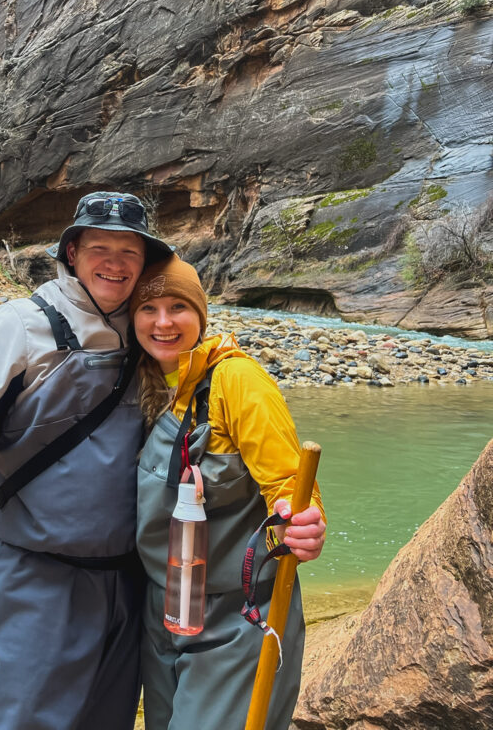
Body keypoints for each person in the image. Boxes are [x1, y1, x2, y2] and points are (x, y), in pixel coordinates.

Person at [0, 191, 173, 730]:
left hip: (129, 576)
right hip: (38, 573)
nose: (114, 263)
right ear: (72, 252)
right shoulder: (22, 322)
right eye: (99, 247)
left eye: (129, 252)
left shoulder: (156, 328)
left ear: (145, 263)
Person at [129, 254, 326, 730]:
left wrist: (305, 524)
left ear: (201, 314)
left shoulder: (237, 380)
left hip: (238, 616)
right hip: (163, 609)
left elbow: (291, 487)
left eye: (178, 306)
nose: (163, 322)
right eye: (148, 309)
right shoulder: (142, 379)